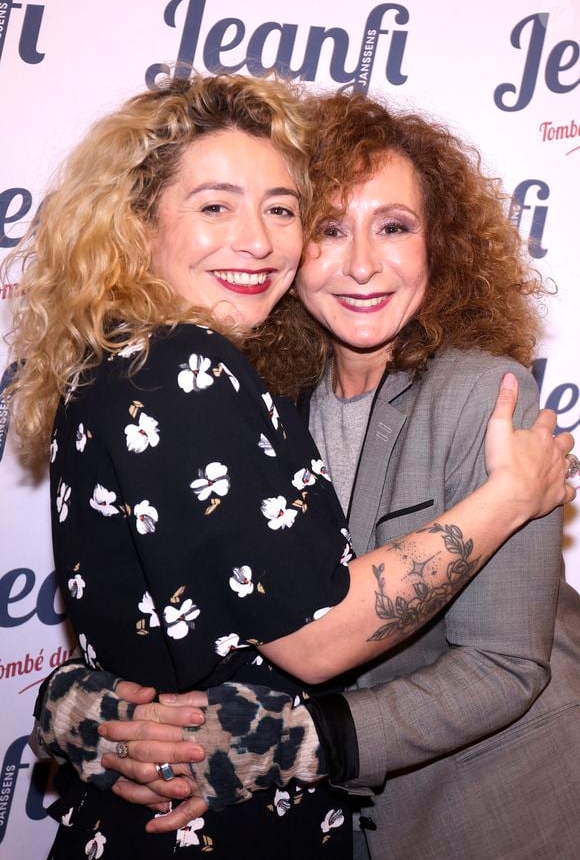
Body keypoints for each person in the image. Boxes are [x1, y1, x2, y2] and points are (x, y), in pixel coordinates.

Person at [16, 79, 575, 860]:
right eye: (326, 228)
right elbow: (163, 610)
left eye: (395, 227)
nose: (362, 265)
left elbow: (507, 664)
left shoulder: (487, 394)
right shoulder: (256, 395)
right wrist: (79, 708)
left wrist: (295, 740)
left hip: (477, 814)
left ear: (438, 243)